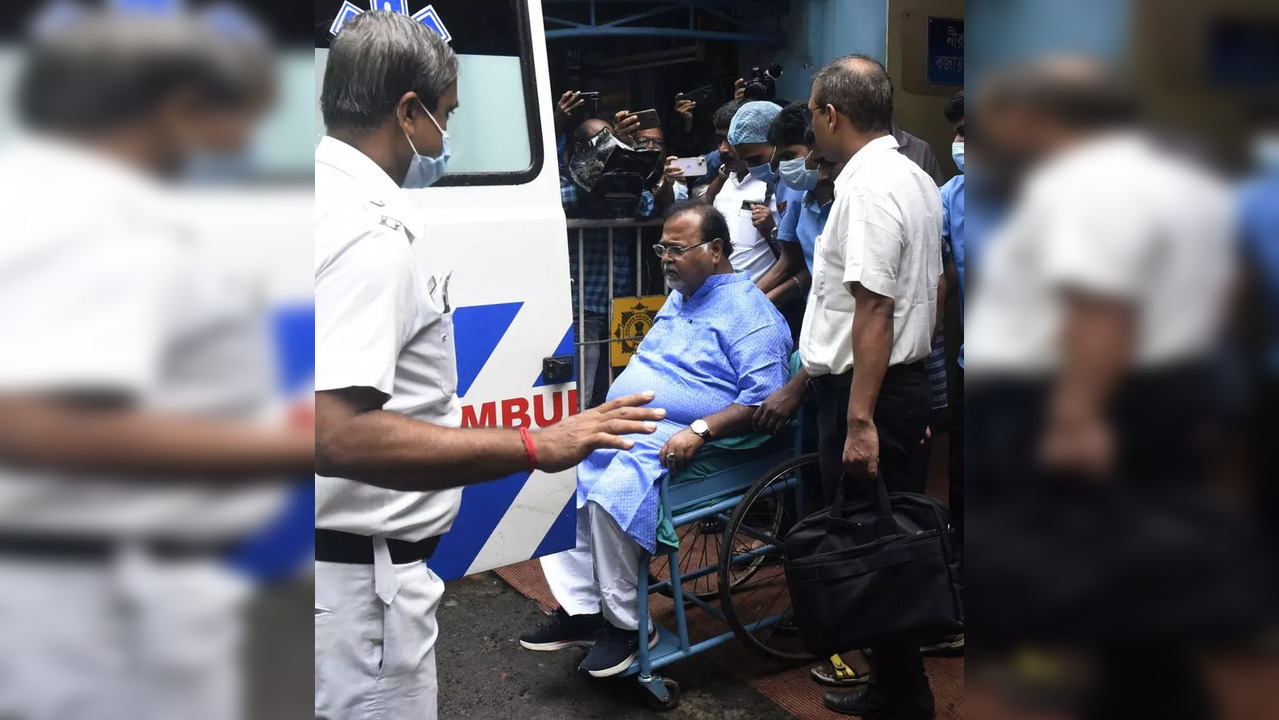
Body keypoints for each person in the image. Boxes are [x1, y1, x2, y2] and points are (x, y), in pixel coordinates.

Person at [313, 13, 667, 720]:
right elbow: (336, 433)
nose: (445, 137)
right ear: (408, 111)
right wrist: (537, 445)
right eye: (446, 115)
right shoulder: (368, 236)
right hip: (359, 593)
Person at [0, 13, 314, 720]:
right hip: (99, 615)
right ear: (175, 105)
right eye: (236, 117)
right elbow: (38, 427)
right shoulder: (86, 217)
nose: (245, 143)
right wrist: (290, 447)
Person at [523, 200, 792, 678]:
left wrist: (701, 428)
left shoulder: (750, 314)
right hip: (641, 420)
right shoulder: (681, 295)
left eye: (676, 249)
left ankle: (629, 628)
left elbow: (766, 400)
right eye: (661, 248)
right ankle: (584, 610)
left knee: (611, 496)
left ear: (714, 250)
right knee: (556, 471)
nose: (665, 258)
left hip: (697, 436)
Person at [804, 55, 943, 719]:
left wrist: (860, 419)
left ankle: (904, 698)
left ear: (832, 114)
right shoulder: (915, 178)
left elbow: (874, 308)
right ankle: (897, 687)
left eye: (811, 112)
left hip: (871, 393)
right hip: (897, 384)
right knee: (886, 542)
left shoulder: (866, 189)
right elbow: (936, 286)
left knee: (873, 544)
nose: (811, 124)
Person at [561, 117, 686, 409]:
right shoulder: (567, 183)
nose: (611, 146)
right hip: (585, 303)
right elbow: (562, 198)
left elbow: (651, 205)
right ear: (580, 148)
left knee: (622, 385)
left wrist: (666, 181)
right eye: (602, 140)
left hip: (623, 304)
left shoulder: (625, 185)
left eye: (614, 140)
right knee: (582, 393)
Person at [704, 101, 780, 282]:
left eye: (730, 140)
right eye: (719, 140)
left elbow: (796, 257)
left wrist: (771, 229)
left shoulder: (775, 184)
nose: (723, 149)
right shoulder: (722, 184)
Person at [753, 101, 814, 314]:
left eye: (789, 157)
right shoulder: (807, 196)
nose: (784, 167)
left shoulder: (843, 197)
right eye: (780, 159)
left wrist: (756, 299)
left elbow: (801, 264)